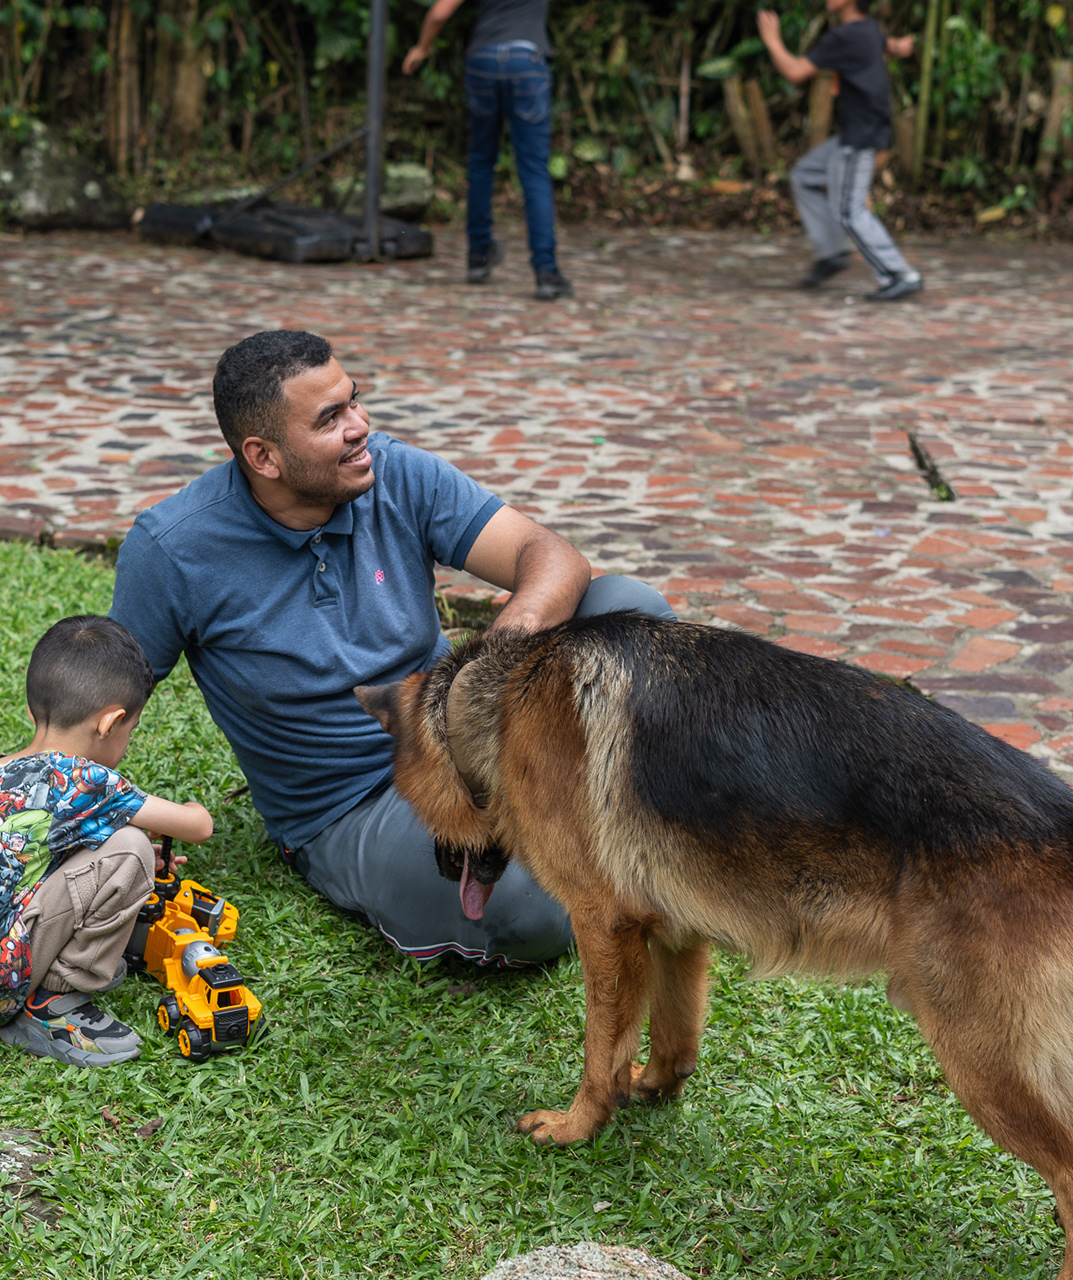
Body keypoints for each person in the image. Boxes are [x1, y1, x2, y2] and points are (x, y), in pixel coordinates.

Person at [109, 329, 674, 967]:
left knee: (630, 610)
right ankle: (611, 826)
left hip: (464, 739)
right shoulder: (173, 550)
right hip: (356, 805)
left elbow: (550, 556)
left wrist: (487, 668)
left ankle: (591, 819)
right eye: (330, 419)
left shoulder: (394, 472)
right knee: (526, 911)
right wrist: (97, 823)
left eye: (354, 400)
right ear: (263, 457)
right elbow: (100, 706)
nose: (360, 426)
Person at [0, 615, 214, 1067]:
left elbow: (24, 857)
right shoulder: (85, 780)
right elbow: (198, 825)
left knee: (117, 843)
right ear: (110, 723)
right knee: (132, 849)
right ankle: (51, 1002)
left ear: (34, 710)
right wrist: (180, 815)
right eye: (130, 731)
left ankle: (38, 975)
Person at [402, 0, 573, 302]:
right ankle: (546, 272)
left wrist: (422, 47)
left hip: (483, 59)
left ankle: (478, 258)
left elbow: (440, 13)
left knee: (481, 161)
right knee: (534, 169)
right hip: (526, 59)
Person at [757, 0, 923, 301]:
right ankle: (832, 253)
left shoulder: (845, 36)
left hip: (861, 136)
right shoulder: (867, 29)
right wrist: (900, 47)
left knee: (849, 211)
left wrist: (772, 41)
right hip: (860, 130)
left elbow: (796, 72)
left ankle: (900, 274)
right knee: (805, 176)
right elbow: (886, 44)